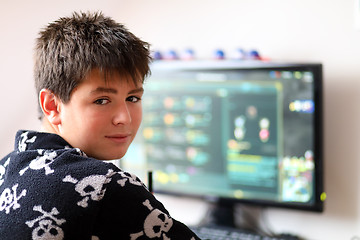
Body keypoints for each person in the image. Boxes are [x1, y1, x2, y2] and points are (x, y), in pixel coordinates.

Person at [0, 11, 201, 240]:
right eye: (102, 100)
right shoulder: (107, 186)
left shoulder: (7, 167)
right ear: (52, 106)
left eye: (133, 98)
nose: (124, 118)